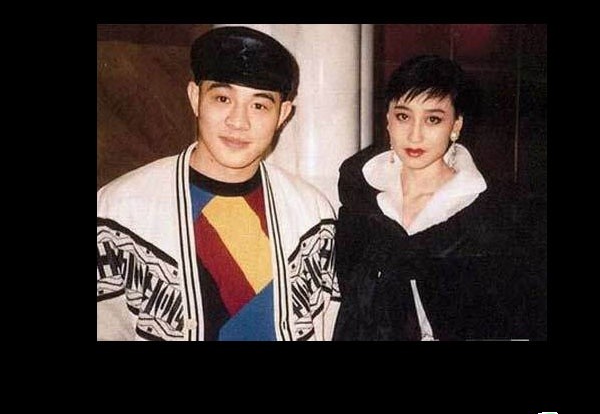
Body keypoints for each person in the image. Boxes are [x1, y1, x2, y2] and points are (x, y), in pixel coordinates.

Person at [97, 26, 340, 341]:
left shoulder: (312, 215)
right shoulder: (120, 210)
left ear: (283, 115)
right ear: (195, 98)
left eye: (259, 105)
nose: (238, 121)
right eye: (223, 98)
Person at [333, 54, 546, 341]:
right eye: (403, 116)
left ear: (455, 126)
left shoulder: (490, 214)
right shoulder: (360, 200)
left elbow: (514, 319)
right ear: (388, 120)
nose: (415, 135)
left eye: (433, 119)